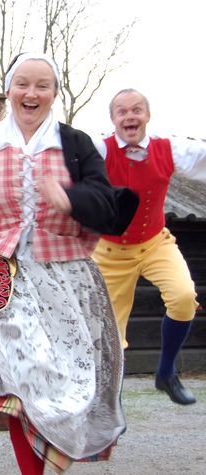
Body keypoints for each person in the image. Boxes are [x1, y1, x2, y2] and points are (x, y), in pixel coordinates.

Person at [0, 53, 129, 474]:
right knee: (20, 373)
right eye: (23, 84)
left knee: (63, 385)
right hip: (3, 276)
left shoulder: (77, 145)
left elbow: (108, 207)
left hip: (66, 277)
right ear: (8, 90)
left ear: (54, 93)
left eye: (42, 85)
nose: (32, 93)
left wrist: (70, 199)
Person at [91, 88, 206, 405]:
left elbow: (202, 158)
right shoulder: (98, 149)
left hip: (156, 242)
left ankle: (166, 373)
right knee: (111, 334)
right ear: (113, 119)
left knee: (184, 297)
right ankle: (111, 403)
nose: (130, 116)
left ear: (147, 115)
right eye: (122, 111)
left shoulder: (168, 148)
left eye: (136, 110)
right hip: (110, 251)